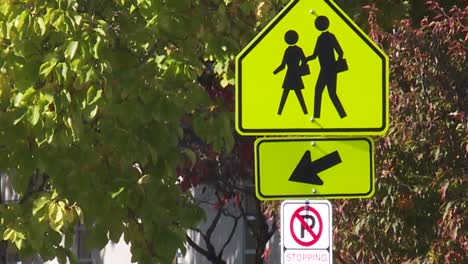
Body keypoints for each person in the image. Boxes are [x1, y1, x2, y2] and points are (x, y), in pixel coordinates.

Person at [308, 15, 347, 119]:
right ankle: (341, 115)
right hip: (328, 69)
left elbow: (340, 52)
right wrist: (305, 60)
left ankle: (340, 115)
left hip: (328, 69)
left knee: (323, 92)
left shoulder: (325, 37)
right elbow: (315, 55)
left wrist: (337, 65)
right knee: (328, 93)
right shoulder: (324, 37)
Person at [274, 30, 308, 115]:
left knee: (286, 94)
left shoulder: (288, 50)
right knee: (298, 94)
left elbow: (283, 65)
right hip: (296, 74)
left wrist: (275, 72)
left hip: (289, 75)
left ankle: (279, 112)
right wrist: (300, 68)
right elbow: (304, 61)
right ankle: (305, 112)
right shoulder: (299, 49)